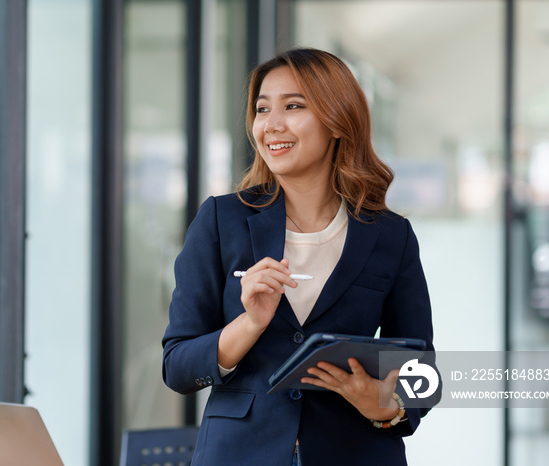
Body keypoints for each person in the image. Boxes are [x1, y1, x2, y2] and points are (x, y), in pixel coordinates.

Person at [162, 48, 437, 466]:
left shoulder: (389, 236)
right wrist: (250, 322)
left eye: (293, 106)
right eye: (262, 109)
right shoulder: (221, 220)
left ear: (337, 120)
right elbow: (178, 366)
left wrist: (384, 404)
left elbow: (424, 374)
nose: (271, 125)